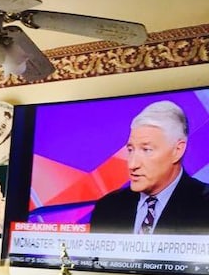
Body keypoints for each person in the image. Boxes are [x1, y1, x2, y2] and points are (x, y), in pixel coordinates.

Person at [89, 100, 209, 234]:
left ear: (177, 150)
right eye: (130, 150)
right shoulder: (107, 207)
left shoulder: (205, 205)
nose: (132, 164)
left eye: (147, 150)